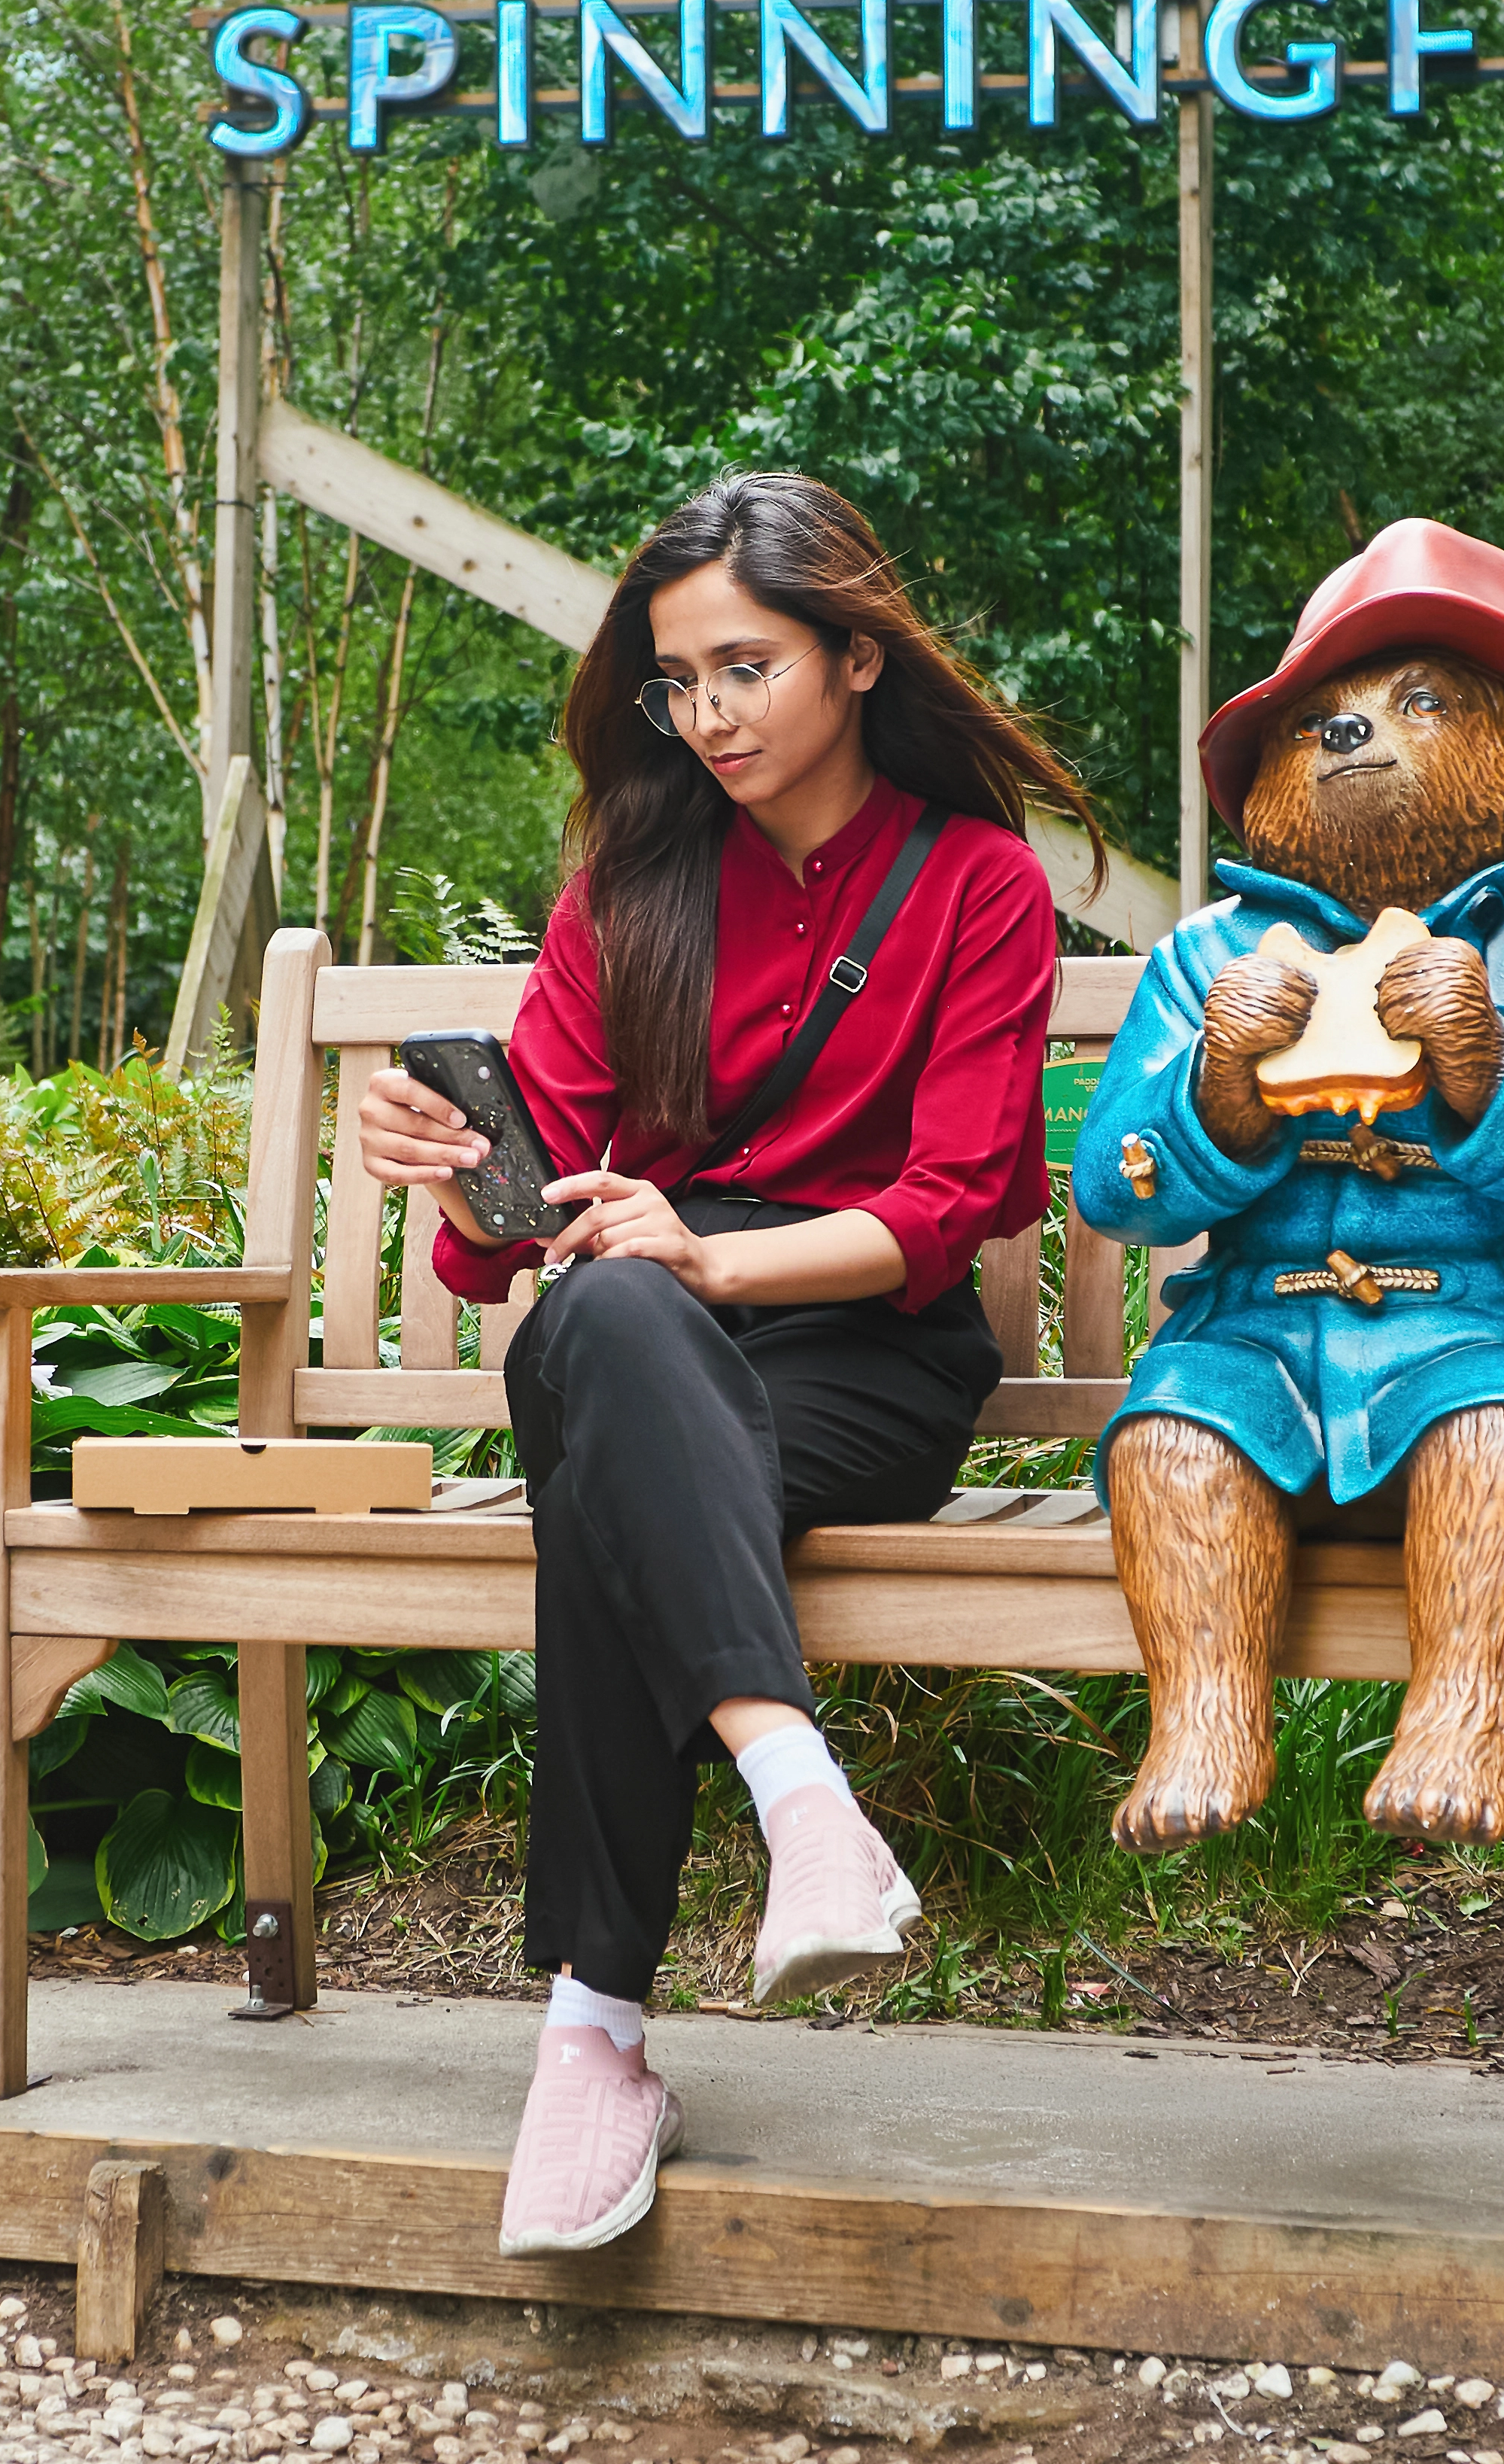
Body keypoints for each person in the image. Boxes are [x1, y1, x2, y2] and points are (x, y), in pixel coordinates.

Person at [347, 472, 1088, 2259]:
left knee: (616, 1454)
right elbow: (514, 1241)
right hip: (630, 1333)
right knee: (607, 1323)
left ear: (851, 653)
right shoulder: (630, 883)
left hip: (863, 1352)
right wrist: (457, 1166)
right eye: (677, 679)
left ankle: (596, 2031)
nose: (708, 714)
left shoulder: (977, 883)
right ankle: (801, 1799)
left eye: (744, 666)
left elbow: (957, 1202)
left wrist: (709, 1245)